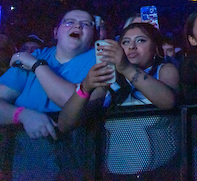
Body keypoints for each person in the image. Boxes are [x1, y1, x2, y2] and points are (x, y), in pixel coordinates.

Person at [58, 22, 180, 178]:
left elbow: (168, 102)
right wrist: (85, 87)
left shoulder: (165, 70)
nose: (132, 47)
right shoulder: (110, 79)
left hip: (160, 172)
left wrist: (127, 68)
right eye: (126, 42)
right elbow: (64, 124)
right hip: (116, 173)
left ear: (156, 48)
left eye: (141, 40)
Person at [0, 9, 96, 180]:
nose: (77, 26)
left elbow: (72, 103)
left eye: (86, 24)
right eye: (69, 22)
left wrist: (37, 66)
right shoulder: (36, 55)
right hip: (24, 157)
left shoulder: (100, 59)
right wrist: (22, 115)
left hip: (75, 158)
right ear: (56, 32)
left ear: (93, 34)